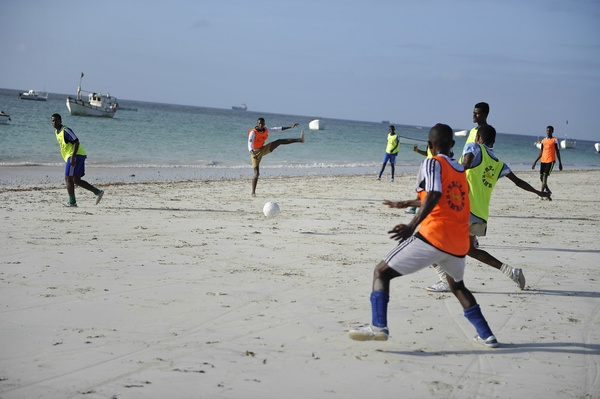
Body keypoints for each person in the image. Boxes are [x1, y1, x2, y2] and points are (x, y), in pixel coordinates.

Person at [348, 123, 499, 348]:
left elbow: (436, 193)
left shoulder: (431, 162)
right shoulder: (459, 170)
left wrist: (412, 224)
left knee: (381, 272)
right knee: (457, 287)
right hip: (458, 242)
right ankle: (487, 335)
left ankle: (379, 326)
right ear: (453, 145)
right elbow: (448, 198)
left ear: (430, 145)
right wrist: (408, 202)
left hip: (434, 236)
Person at [425, 125, 551, 292]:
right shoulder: (499, 164)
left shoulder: (474, 147)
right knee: (470, 250)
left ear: (478, 138)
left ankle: (446, 281)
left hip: (462, 209)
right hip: (480, 216)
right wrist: (538, 192)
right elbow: (519, 182)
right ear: (494, 142)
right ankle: (511, 272)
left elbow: (466, 164)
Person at [51, 113, 104, 207]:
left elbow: (76, 141)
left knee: (68, 178)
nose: (54, 122)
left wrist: (73, 157)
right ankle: (97, 192)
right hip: (77, 155)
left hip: (76, 155)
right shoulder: (56, 132)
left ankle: (72, 202)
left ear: (60, 121)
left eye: (56, 120)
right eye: (52, 121)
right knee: (76, 180)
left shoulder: (65, 130)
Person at [248, 117, 304, 197]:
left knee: (279, 141)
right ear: (257, 124)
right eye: (259, 123)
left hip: (263, 149)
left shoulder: (265, 129)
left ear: (264, 124)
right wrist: (252, 153)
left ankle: (300, 140)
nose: (260, 125)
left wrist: (290, 127)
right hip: (255, 153)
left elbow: (277, 129)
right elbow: (249, 144)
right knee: (256, 173)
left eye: (262, 123)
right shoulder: (253, 132)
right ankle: (253, 192)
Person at [532, 125, 563, 197]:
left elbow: (557, 152)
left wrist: (560, 163)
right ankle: (548, 190)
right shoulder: (543, 140)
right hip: (543, 161)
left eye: (549, 130)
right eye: (547, 130)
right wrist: (535, 162)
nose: (548, 132)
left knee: (545, 177)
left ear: (552, 131)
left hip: (550, 161)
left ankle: (541, 194)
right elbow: (541, 152)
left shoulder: (555, 140)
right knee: (541, 177)